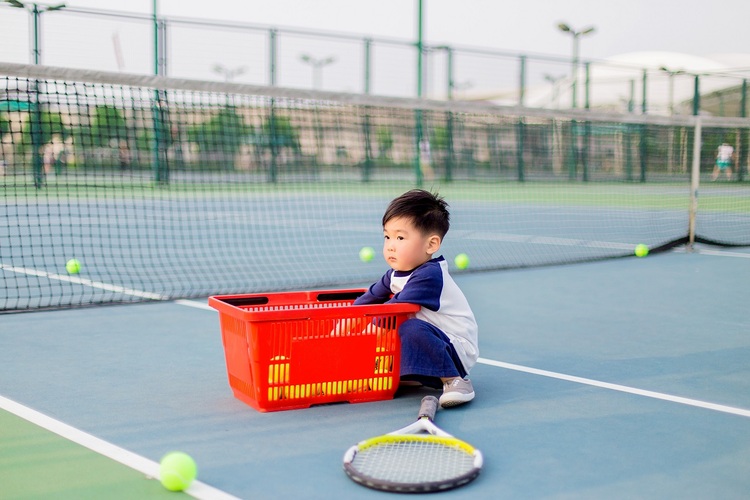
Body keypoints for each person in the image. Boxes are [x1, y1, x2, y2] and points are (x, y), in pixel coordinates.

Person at [354, 189, 478, 408]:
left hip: (455, 350)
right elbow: (367, 300)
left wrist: (359, 339)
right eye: (387, 236)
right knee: (403, 327)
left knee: (408, 326)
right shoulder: (394, 273)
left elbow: (390, 312)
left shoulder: (429, 275)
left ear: (431, 245)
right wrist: (340, 325)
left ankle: (455, 381)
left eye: (400, 237)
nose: (391, 245)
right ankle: (410, 374)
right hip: (431, 345)